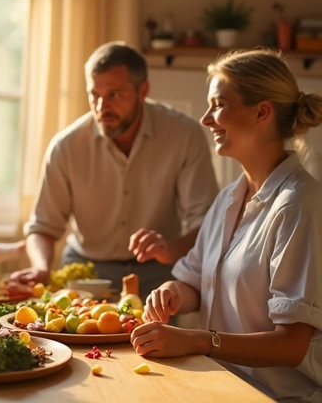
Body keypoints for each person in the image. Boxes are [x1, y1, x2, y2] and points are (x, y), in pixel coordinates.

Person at [132, 49, 322, 401]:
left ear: (262, 112)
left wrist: (197, 340)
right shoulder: (227, 200)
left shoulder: (299, 204)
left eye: (217, 104)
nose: (206, 119)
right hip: (224, 388)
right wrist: (173, 293)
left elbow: (292, 345)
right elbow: (192, 282)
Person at [11, 42, 219, 299]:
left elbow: (207, 221)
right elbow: (43, 226)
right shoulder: (66, 146)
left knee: (153, 339)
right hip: (87, 270)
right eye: (94, 95)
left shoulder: (184, 135)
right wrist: (41, 268)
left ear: (143, 90)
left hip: (158, 270)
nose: (101, 107)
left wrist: (169, 248)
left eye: (114, 95)